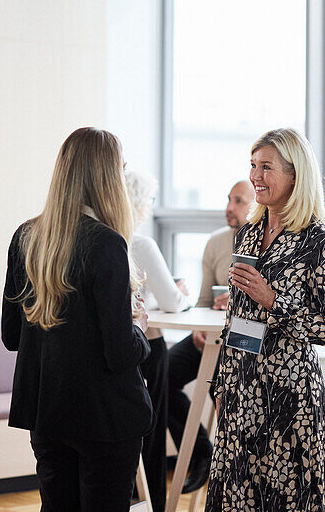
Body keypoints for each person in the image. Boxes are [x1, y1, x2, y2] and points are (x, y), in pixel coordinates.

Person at [3, 127, 153, 512]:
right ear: (106, 177)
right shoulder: (106, 243)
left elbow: (11, 336)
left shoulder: (26, 237)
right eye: (120, 169)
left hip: (47, 410)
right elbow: (120, 351)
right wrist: (139, 330)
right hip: (104, 415)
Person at [207, 128, 325, 512]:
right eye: (253, 165)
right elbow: (236, 315)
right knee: (236, 496)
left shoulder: (320, 242)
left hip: (289, 397)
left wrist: (273, 301)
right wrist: (220, 382)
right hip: (239, 390)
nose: (255, 176)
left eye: (266, 167)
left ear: (295, 175)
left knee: (285, 499)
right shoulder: (247, 235)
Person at [165, 179, 253, 492]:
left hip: (244, 341)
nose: (230, 208)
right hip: (212, 336)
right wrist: (198, 328)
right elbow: (202, 302)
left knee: (225, 391)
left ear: (257, 205)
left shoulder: (269, 244)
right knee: (160, 375)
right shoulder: (216, 242)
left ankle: (233, 476)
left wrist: (242, 300)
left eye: (239, 201)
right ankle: (203, 454)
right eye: (229, 199)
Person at [125, 168, 191, 512]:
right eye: (149, 199)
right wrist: (182, 293)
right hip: (148, 347)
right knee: (150, 435)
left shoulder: (103, 239)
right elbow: (172, 302)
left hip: (117, 353)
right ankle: (156, 505)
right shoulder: (141, 244)